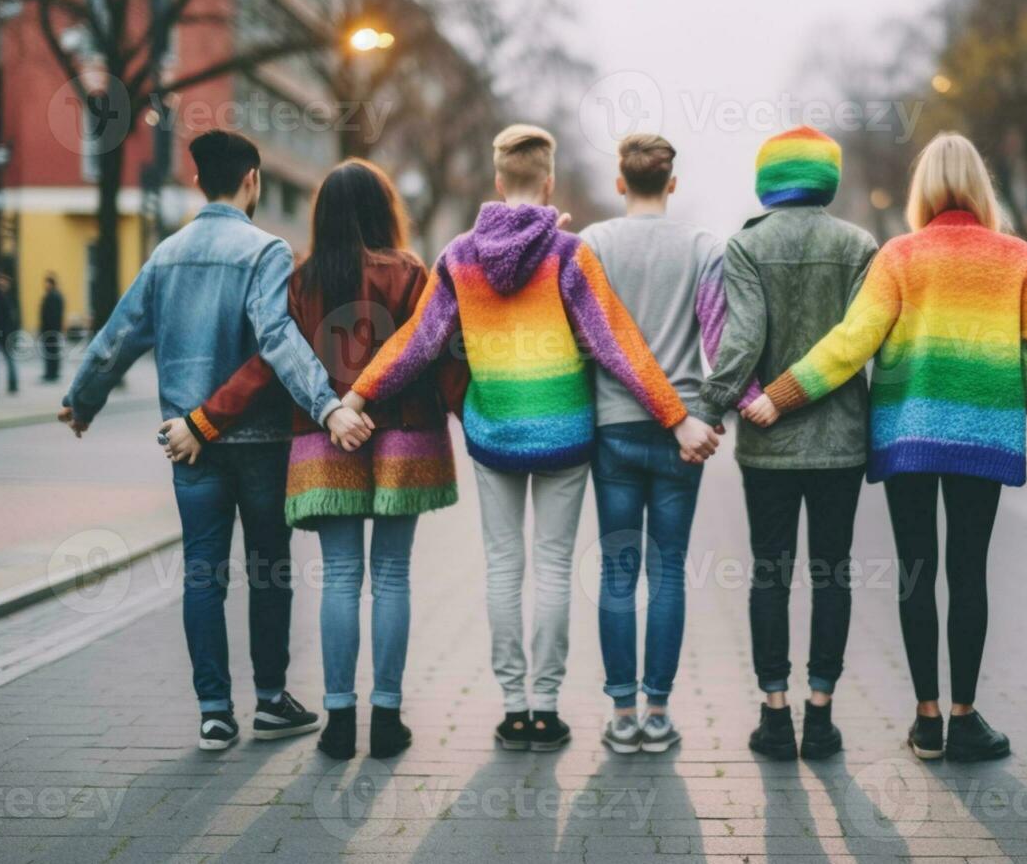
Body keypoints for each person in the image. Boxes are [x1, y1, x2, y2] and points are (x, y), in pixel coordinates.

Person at [745, 133, 1027, 763]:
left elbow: (850, 343)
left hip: (909, 438)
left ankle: (926, 721)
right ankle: (965, 718)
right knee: (968, 571)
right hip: (981, 436)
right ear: (982, 187)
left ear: (922, 188)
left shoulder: (898, 256)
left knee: (916, 571)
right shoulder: (1015, 259)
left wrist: (779, 395)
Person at [342, 125, 721, 753]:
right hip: (566, 434)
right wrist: (675, 413)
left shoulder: (460, 255)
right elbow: (615, 342)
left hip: (495, 433)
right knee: (551, 569)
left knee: (502, 568)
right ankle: (547, 708)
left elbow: (417, 341)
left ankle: (512, 706)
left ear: (497, 181)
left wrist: (357, 395)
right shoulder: (569, 253)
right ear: (547, 181)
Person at [61, 129, 374, 752]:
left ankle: (212, 712)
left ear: (200, 182)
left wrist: (83, 398)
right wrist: (328, 405)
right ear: (253, 179)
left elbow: (122, 332)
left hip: (189, 444)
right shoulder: (266, 251)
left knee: (203, 574)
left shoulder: (167, 253)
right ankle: (271, 701)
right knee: (268, 571)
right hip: (258, 442)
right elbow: (278, 339)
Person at [159, 159, 461, 761]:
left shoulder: (301, 282)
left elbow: (268, 366)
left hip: (325, 442)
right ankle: (388, 720)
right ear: (385, 211)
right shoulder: (411, 274)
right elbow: (438, 354)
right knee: (393, 576)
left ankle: (339, 722)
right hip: (405, 436)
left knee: (342, 578)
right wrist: (480, 422)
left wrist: (203, 421)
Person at [697, 125, 878, 761]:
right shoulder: (859, 246)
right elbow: (864, 344)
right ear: (826, 181)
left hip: (768, 445)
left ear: (766, 182)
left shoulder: (745, 247)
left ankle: (774, 716)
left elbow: (741, 340)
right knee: (833, 573)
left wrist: (712, 407)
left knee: (770, 573)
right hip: (842, 445)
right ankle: (821, 715)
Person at [579, 134, 758, 755]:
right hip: (682, 432)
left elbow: (591, 341)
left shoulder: (592, 246)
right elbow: (720, 336)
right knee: (668, 572)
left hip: (614, 430)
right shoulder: (703, 246)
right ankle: (659, 713)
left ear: (621, 182)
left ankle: (621, 716)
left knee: (618, 573)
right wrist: (707, 415)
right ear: (672, 184)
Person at [0, 273, 18, 395]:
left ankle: (12, 384)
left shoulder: (7, 296)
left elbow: (13, 317)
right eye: (3, 281)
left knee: (9, 360)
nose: (5, 284)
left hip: (6, 333)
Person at [40, 274, 66, 382]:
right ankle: (50, 372)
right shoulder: (53, 295)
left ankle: (52, 373)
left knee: (51, 351)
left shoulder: (53, 296)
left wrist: (50, 329)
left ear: (51, 284)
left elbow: (53, 315)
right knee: (51, 351)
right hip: (51, 329)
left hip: (51, 329)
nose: (45, 285)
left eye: (47, 283)